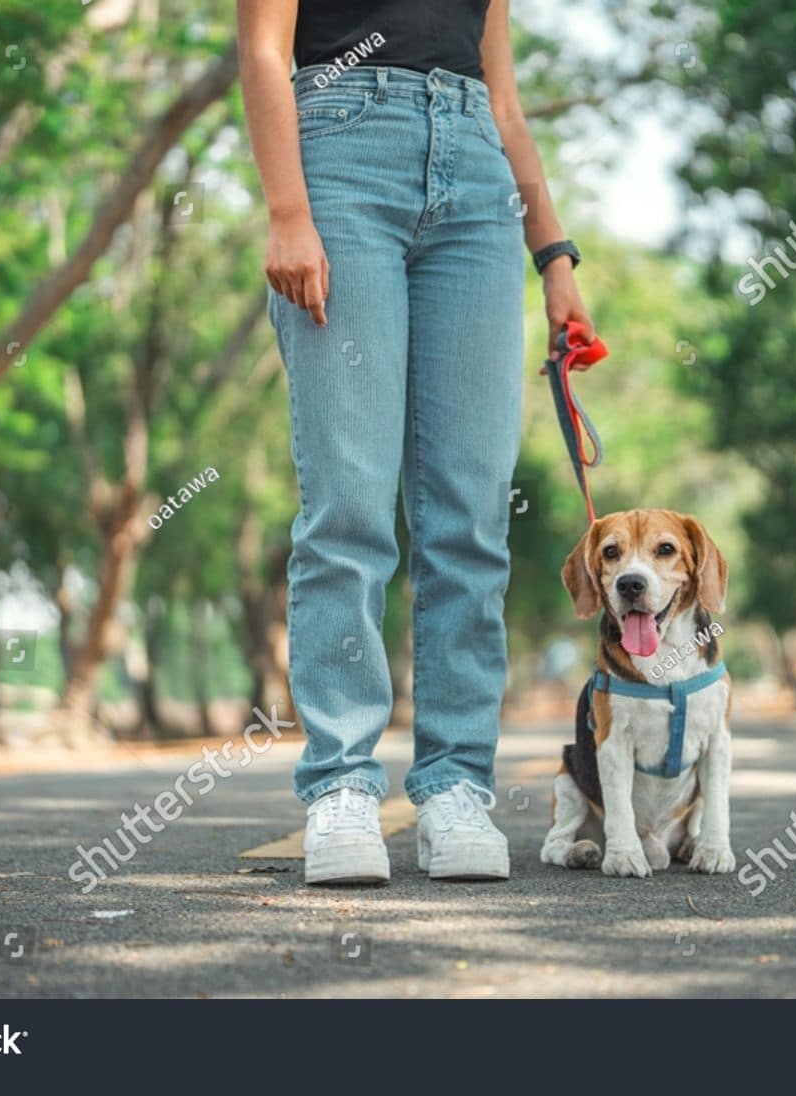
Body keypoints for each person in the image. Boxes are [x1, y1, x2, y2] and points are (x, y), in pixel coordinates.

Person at [237, 0, 595, 884]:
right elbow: (263, 46)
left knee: (470, 516)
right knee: (350, 503)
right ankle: (343, 785)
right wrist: (288, 210)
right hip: (342, 150)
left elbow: (504, 99)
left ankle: (453, 786)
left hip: (476, 176)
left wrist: (554, 256)